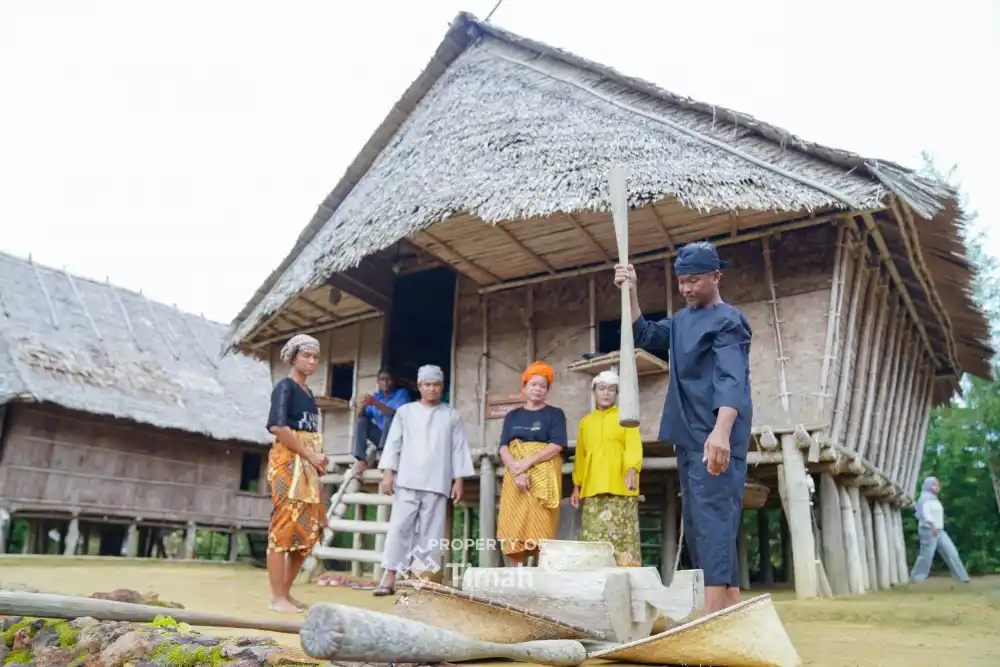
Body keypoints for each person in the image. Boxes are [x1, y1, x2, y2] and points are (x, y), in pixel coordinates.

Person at [614, 241, 752, 614]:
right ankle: (730, 605)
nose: (687, 288)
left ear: (716, 276)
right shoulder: (681, 322)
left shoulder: (729, 320)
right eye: (682, 282)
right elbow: (643, 334)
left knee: (714, 519)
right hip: (688, 437)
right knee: (697, 521)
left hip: (716, 436)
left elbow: (731, 379)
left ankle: (712, 613)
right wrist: (631, 289)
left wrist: (721, 432)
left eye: (694, 281)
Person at [373, 364, 475, 596]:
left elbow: (458, 450)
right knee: (399, 528)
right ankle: (389, 576)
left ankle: (420, 582)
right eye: (427, 384)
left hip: (437, 481)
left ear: (442, 387)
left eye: (436, 385)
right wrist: (388, 472)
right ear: (419, 387)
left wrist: (458, 480)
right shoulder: (405, 412)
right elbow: (394, 444)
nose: (431, 389)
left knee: (431, 533)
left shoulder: (452, 415)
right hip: (407, 479)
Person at [265, 334, 329, 614]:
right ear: (293, 357)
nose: (312, 361)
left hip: (308, 466)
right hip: (287, 463)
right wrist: (309, 454)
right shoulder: (285, 388)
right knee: (282, 528)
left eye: (316, 357)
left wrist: (317, 458)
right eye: (306, 356)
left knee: (307, 531)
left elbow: (309, 432)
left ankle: (286, 593)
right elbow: (278, 427)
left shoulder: (309, 395)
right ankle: (277, 597)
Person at [496, 361, 568, 566]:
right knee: (513, 526)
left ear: (547, 390)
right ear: (524, 387)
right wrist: (516, 470)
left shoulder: (555, 414)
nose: (537, 389)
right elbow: (503, 447)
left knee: (542, 525)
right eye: (533, 384)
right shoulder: (512, 416)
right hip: (516, 474)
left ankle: (541, 580)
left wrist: (527, 463)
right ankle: (516, 578)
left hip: (542, 473)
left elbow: (556, 445)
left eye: (542, 386)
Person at [570, 370, 643, 567]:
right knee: (594, 544)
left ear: (617, 393)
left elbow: (633, 445)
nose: (606, 393)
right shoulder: (586, 422)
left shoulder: (626, 417)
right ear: (594, 391)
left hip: (621, 487)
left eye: (611, 389)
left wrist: (632, 469)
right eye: (602, 388)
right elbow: (581, 455)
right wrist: (577, 485)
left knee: (623, 543)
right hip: (593, 489)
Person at [909, 475, 971, 583]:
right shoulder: (924, 498)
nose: (937, 486)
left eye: (937, 484)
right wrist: (932, 526)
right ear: (928, 485)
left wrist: (937, 527)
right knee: (926, 555)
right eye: (934, 484)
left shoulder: (935, 498)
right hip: (928, 530)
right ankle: (917, 578)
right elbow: (925, 514)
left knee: (952, 553)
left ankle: (962, 578)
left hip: (940, 530)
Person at [354, 368, 411, 473]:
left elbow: (395, 414)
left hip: (399, 439)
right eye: (382, 380)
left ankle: (383, 456)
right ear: (378, 382)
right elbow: (362, 416)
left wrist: (375, 403)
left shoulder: (401, 394)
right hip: (381, 438)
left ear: (393, 381)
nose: (385, 382)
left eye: (388, 379)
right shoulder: (377, 396)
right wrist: (362, 407)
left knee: (388, 417)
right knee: (361, 421)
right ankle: (361, 459)